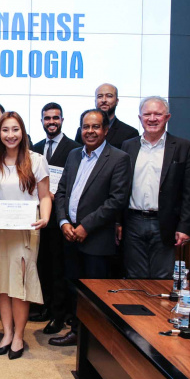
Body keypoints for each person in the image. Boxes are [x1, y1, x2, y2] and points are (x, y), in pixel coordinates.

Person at [51, 109, 131, 347]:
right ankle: (76, 331)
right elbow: (62, 191)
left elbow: (117, 200)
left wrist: (86, 226)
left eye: (96, 127)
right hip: (70, 234)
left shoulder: (118, 158)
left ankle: (95, 339)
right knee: (73, 288)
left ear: (105, 130)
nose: (90, 131)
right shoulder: (74, 155)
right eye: (86, 126)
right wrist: (64, 221)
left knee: (94, 292)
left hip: (96, 238)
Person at [0, 112, 52, 360]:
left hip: (26, 230)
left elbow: (44, 195)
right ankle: (7, 333)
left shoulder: (36, 160)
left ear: (22, 132)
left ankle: (19, 336)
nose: (10, 135)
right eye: (5, 130)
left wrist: (46, 217)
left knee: (20, 285)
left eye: (15, 129)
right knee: (2, 284)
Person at [121, 96, 190, 279]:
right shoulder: (128, 146)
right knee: (134, 277)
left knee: (162, 278)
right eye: (147, 114)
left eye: (158, 114)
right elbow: (121, 188)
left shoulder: (183, 147)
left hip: (164, 223)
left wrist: (185, 226)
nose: (152, 118)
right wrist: (118, 221)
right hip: (133, 221)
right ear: (140, 118)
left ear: (167, 117)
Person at [30, 103, 80, 333]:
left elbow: (76, 185)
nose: (51, 122)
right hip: (38, 216)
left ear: (62, 120)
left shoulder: (75, 148)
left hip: (62, 216)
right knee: (43, 265)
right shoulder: (36, 149)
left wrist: (55, 195)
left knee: (60, 267)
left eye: (55, 118)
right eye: (47, 118)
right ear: (41, 121)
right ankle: (46, 307)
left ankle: (59, 314)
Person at [75, 83, 139, 149]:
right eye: (100, 96)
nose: (104, 100)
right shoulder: (82, 131)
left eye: (109, 96)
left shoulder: (130, 133)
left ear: (117, 101)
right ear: (95, 101)